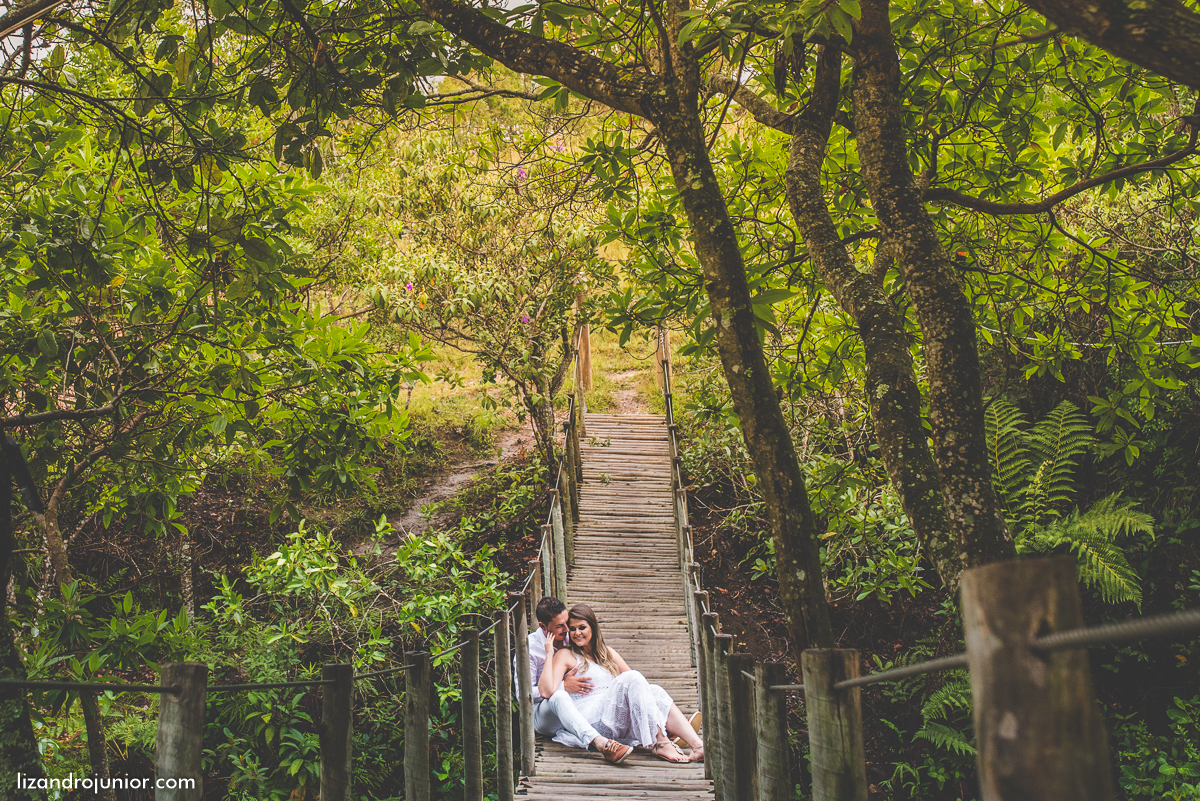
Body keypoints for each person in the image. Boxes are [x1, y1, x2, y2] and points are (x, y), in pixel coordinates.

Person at [538, 603, 704, 763]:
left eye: (582, 627)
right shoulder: (567, 654)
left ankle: (698, 746)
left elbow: (639, 689)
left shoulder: (607, 653)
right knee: (632, 677)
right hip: (591, 718)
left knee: (654, 690)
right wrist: (549, 654)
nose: (576, 633)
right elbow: (546, 692)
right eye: (572, 629)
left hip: (614, 714)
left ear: (593, 628)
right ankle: (662, 741)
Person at [519, 596, 634, 764]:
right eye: (560, 626)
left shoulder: (570, 635)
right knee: (558, 696)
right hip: (544, 715)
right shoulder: (529, 649)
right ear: (543, 627)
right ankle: (601, 744)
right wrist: (562, 686)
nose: (567, 629)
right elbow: (523, 696)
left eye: (567, 623)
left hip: (577, 709)